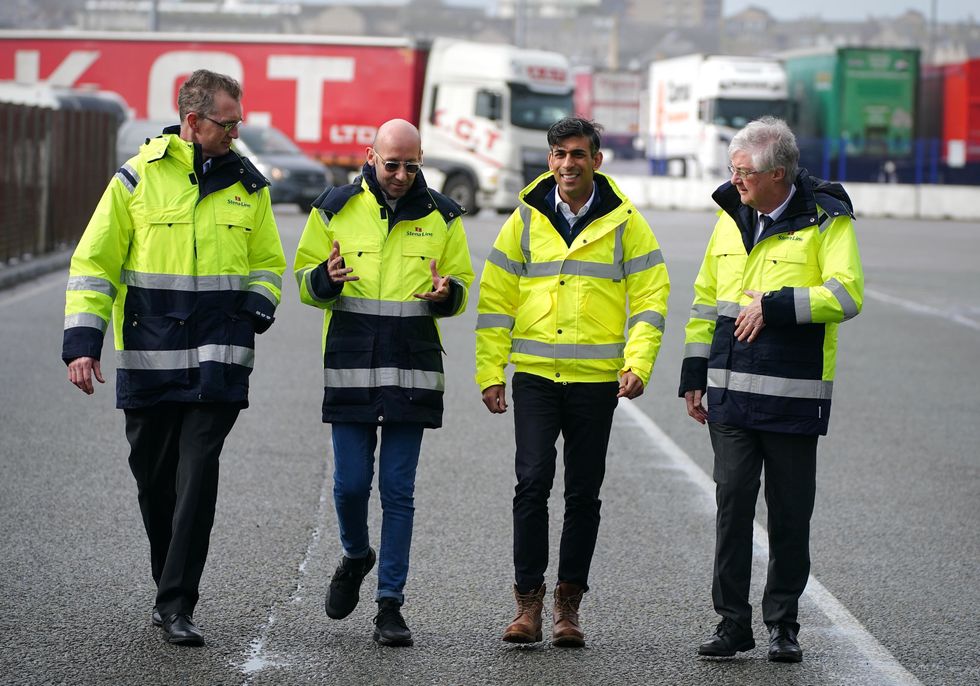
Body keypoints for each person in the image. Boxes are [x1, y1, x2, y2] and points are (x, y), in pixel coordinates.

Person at [62, 70, 286, 646]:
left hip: (219, 360)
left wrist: (255, 310)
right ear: (192, 121)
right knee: (154, 481)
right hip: (151, 359)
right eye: (227, 122)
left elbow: (268, 263)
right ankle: (169, 580)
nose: (236, 131)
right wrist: (82, 344)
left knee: (197, 480)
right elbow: (95, 264)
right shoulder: (136, 180)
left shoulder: (249, 186)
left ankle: (178, 603)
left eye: (239, 122)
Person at [475, 117, 670, 647]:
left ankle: (568, 608)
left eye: (578, 154)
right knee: (532, 485)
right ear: (549, 160)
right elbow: (495, 301)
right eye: (559, 154)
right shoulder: (523, 220)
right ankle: (527, 604)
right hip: (535, 376)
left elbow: (652, 296)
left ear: (596, 161)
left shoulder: (626, 223)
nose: (567, 163)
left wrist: (639, 361)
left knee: (584, 494)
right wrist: (491, 371)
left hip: (595, 382)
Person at [679, 116, 864, 663]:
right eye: (731, 170)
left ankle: (784, 624)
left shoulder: (829, 220)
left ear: (778, 173)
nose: (734, 180)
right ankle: (732, 623)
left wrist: (776, 304)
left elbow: (847, 293)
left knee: (788, 515)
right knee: (732, 505)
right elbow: (707, 299)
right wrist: (694, 374)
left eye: (744, 172)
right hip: (731, 394)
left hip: (792, 395)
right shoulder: (730, 216)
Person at [294, 119, 474, 647]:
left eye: (411, 165)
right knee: (350, 485)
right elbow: (305, 281)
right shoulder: (333, 209)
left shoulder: (443, 216)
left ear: (422, 160)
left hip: (412, 369)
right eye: (391, 163)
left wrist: (447, 294)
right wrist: (324, 279)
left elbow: (460, 285)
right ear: (370, 156)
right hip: (351, 364)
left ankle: (390, 606)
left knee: (398, 490)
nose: (400, 174)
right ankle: (355, 555)